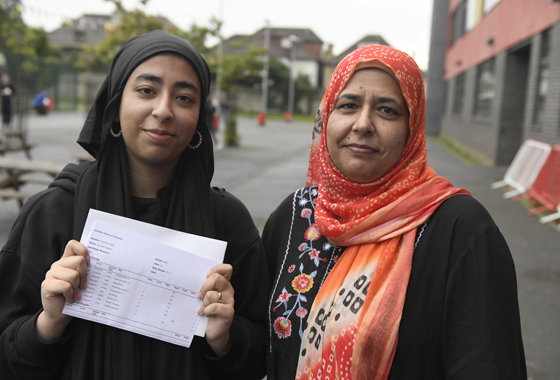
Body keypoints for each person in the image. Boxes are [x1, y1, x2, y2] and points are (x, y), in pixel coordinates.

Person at [0, 30, 268, 379]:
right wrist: (47, 323)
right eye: (146, 90)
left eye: (185, 98)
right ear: (114, 106)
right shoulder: (53, 213)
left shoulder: (227, 221)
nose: (164, 110)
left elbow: (263, 355)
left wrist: (225, 338)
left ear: (200, 117)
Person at [264, 45, 526, 380]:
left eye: (387, 111)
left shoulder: (460, 229)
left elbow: (487, 364)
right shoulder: (295, 215)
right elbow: (260, 344)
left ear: (412, 128)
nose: (363, 124)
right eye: (348, 106)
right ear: (327, 116)